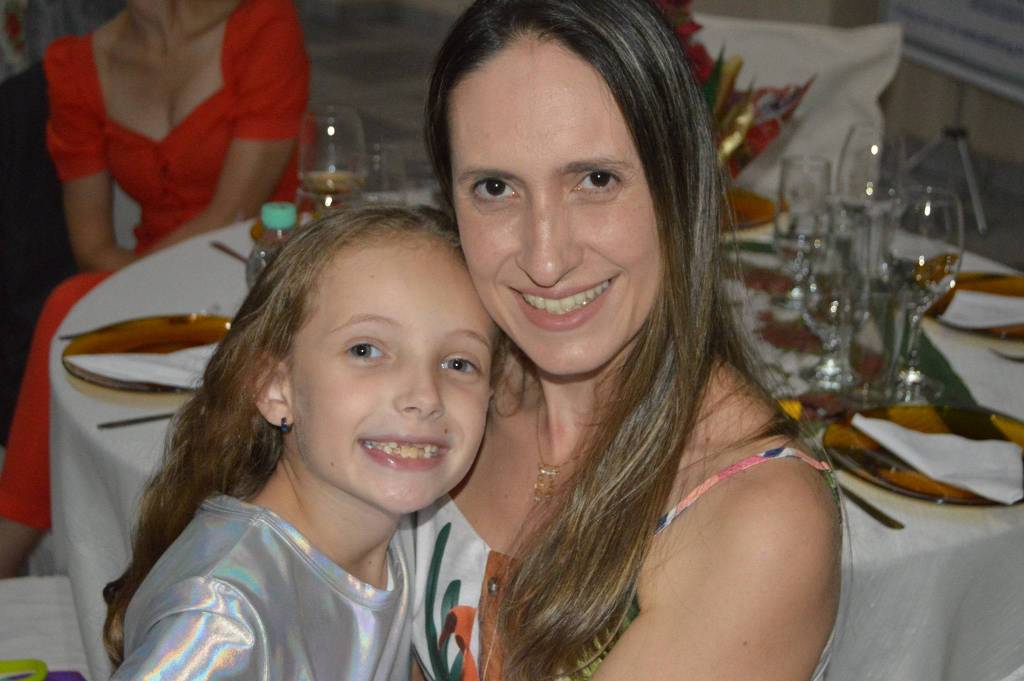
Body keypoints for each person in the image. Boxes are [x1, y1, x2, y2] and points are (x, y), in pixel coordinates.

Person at [411, 1, 842, 680]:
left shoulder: (756, 519)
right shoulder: (452, 384)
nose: (545, 258)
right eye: (495, 187)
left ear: (682, 187)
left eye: (596, 180)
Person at [102, 205, 498, 679]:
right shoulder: (220, 620)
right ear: (275, 388)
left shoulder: (404, 536)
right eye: (366, 350)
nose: (424, 396)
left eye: (459, 363)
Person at [0, 0, 309, 577]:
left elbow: (233, 213)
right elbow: (92, 246)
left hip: (259, 272)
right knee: (69, 300)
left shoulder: (261, 25)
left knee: (70, 304)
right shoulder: (77, 66)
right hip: (150, 280)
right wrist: (141, 290)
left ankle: (12, 543)